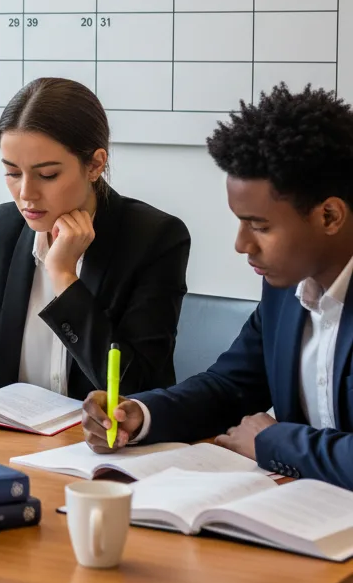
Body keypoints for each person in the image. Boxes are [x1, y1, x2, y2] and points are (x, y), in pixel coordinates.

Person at [81, 84, 353, 490]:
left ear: (329, 216)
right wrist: (139, 414)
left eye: (260, 226)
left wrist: (276, 440)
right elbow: (230, 387)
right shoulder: (286, 290)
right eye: (240, 222)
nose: (242, 244)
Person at [0, 77, 190, 405]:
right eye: (13, 173)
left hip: (104, 445)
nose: (26, 194)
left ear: (95, 164)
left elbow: (134, 384)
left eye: (47, 175)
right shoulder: (6, 226)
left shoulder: (154, 238)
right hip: (17, 439)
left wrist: (64, 277)